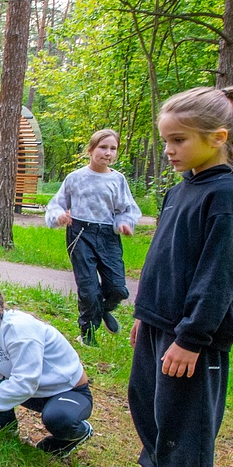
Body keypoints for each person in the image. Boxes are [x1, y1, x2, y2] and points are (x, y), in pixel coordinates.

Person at [92, 87, 233, 467]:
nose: (168, 151)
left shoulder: (231, 195)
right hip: (160, 324)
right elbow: (164, 259)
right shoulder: (183, 187)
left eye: (178, 141)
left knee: (186, 420)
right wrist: (146, 316)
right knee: (150, 405)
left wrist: (192, 338)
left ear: (217, 137)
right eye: (166, 140)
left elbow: (219, 277)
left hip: (195, 335)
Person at [0, 273, 95, 456]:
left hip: (66, 392)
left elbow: (24, 384)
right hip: (32, 392)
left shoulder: (19, 329)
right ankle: (6, 421)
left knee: (59, 418)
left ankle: (78, 432)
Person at [44, 129, 142, 346]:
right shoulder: (75, 178)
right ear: (90, 150)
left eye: (113, 148)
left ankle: (103, 310)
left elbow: (127, 208)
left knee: (118, 288)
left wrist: (124, 223)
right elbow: (56, 204)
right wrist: (59, 216)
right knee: (88, 289)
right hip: (80, 233)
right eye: (103, 147)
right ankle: (87, 334)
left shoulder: (118, 180)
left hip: (108, 235)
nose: (107, 153)